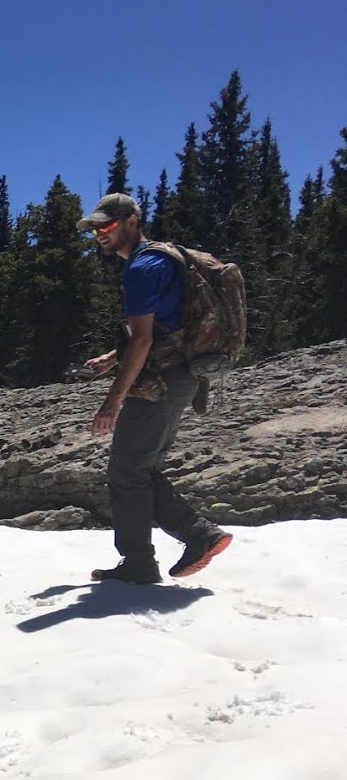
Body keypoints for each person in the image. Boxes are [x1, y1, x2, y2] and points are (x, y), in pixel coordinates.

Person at [75, 193, 232, 584]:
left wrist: (112, 401)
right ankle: (153, 555)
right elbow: (166, 326)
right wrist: (113, 357)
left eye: (106, 226)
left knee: (127, 471)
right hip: (183, 373)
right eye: (95, 229)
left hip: (163, 379)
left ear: (131, 221)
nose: (99, 234)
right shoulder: (163, 257)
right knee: (140, 467)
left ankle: (178, 545)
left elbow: (144, 341)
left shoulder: (142, 267)